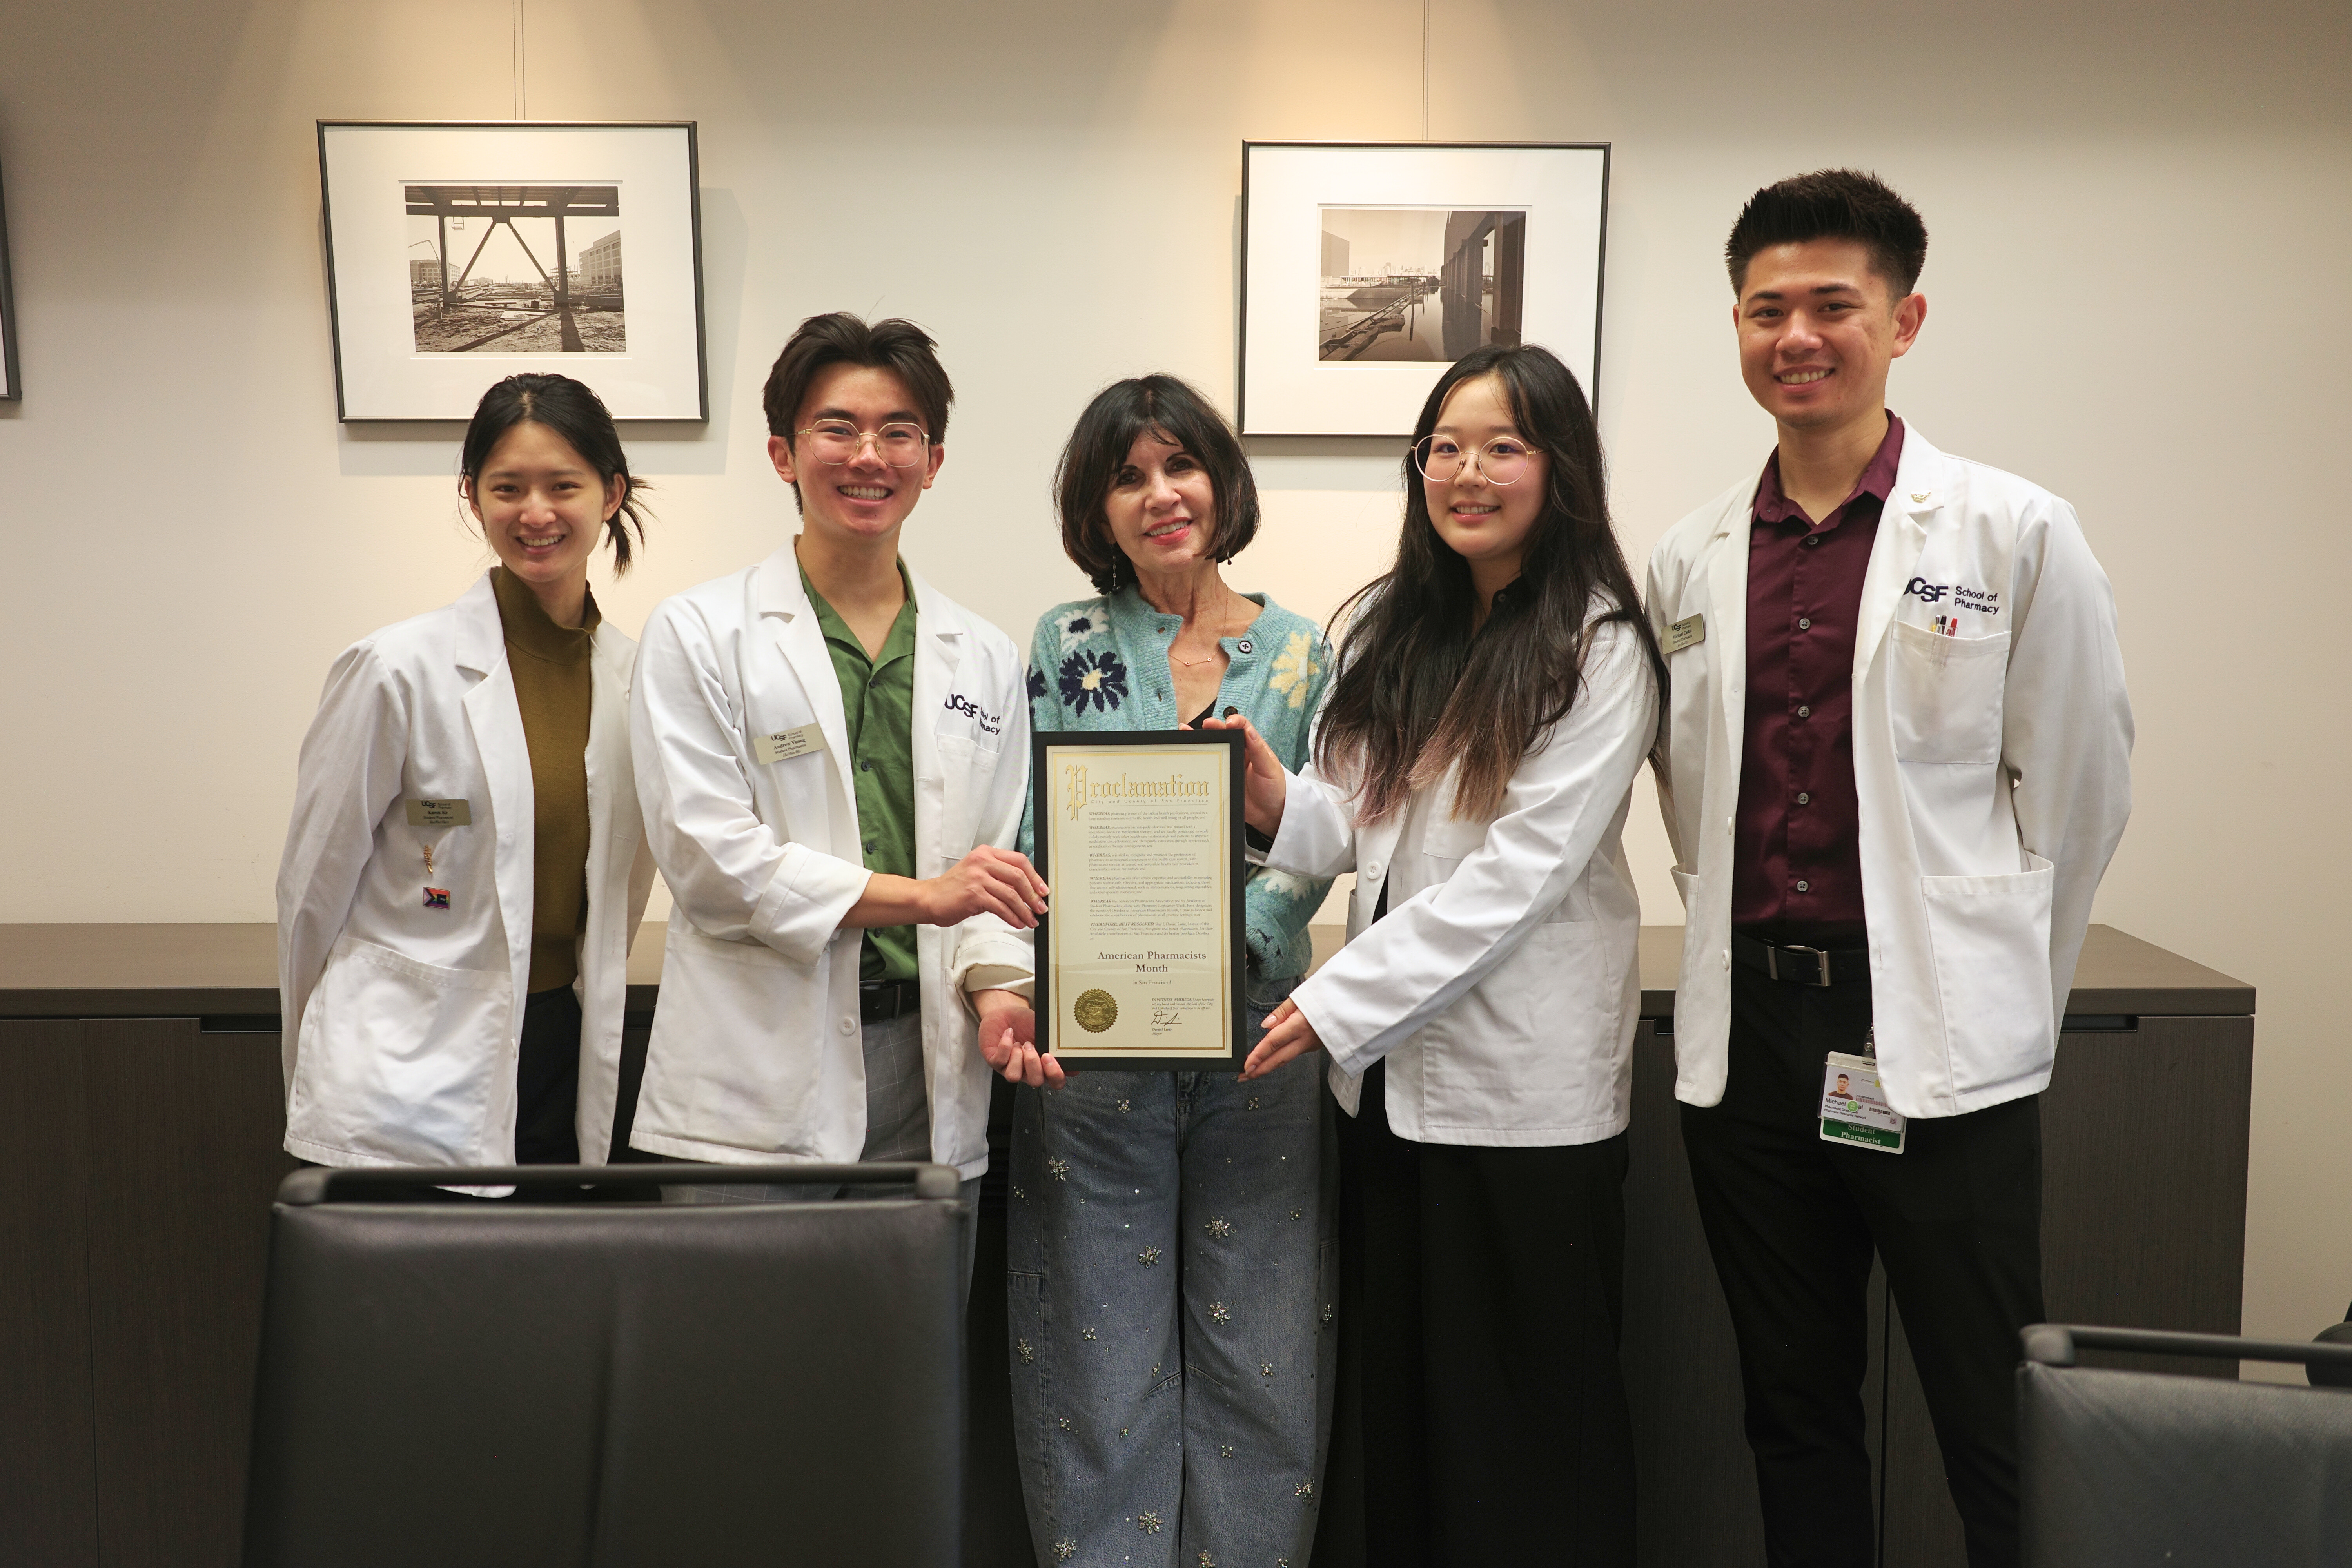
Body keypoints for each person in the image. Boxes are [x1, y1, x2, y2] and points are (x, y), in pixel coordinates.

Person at [1646, 169, 2132, 1568]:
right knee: (1790, 1405)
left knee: (1994, 1405)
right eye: (1764, 309)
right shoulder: (1690, 556)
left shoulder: (2009, 530)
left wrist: (1999, 991)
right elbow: (1690, 796)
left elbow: (2082, 787)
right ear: (1736, 326)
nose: (1796, 336)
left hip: (1932, 1032)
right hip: (1754, 1049)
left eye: (1831, 306)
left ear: (1904, 320)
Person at [1215, 342, 1662, 1565]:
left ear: (1559, 467)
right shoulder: (1397, 626)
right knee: (1411, 1417)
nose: (1468, 473)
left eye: (1502, 447)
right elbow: (1362, 822)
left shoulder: (1601, 643)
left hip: (1526, 1101)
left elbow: (1516, 878)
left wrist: (1333, 995)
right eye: (1445, 449)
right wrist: (1272, 802)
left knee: (1530, 1427)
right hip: (1393, 1098)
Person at [1001, 374, 1335, 1568]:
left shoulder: (1301, 652)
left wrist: (1228, 945)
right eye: (1129, 476)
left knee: (1265, 1339)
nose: (1160, 495)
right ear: (1098, 506)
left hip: (1260, 1032)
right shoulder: (1066, 640)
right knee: (1100, 1344)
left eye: (1179, 467)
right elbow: (1039, 833)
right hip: (1096, 1030)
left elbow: (1321, 841)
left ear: (1221, 483)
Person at [626, 313, 1043, 1248]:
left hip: (928, 1066)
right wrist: (924, 896)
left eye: (899, 431)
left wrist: (1000, 991)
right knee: (751, 1385)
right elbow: (708, 862)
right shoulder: (700, 633)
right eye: (837, 428)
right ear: (783, 451)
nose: (870, 454)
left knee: (910, 1382)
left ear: (933, 461)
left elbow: (993, 861)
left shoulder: (981, 651)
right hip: (752, 1083)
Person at [277, 372, 656, 1178]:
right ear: (472, 497)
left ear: (611, 492)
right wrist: (314, 1064)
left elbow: (620, 892)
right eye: (507, 487)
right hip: (400, 1061)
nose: (536, 512)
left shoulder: (636, 679)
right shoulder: (395, 668)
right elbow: (312, 890)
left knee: (550, 1293)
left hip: (560, 1045)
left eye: (564, 485)